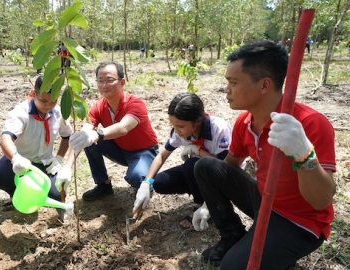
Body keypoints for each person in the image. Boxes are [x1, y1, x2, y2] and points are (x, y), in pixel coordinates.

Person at [193, 40, 336, 269]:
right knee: (206, 166)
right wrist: (209, 205)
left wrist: (303, 154)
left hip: (298, 222)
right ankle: (233, 236)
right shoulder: (245, 121)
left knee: (231, 268)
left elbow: (320, 201)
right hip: (265, 201)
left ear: (264, 85)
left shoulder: (310, 123)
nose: (226, 89)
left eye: (233, 82)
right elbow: (228, 167)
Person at [132, 93, 235, 230]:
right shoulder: (182, 130)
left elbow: (226, 168)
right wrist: (147, 182)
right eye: (173, 125)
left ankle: (205, 205)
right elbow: (162, 155)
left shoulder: (219, 130)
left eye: (180, 126)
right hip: (200, 171)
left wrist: (197, 150)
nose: (177, 131)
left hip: (226, 176)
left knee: (192, 164)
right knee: (161, 182)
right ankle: (202, 193)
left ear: (198, 121)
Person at [69, 61, 159, 201]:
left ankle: (146, 182)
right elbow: (84, 132)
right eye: (100, 81)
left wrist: (97, 134)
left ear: (122, 82)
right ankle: (103, 185)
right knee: (88, 140)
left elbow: (123, 128)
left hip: (144, 151)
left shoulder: (135, 103)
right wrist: (67, 168)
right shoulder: (99, 106)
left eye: (110, 80)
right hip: (119, 149)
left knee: (136, 178)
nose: (104, 85)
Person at [0, 75, 75, 219]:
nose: (48, 105)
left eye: (53, 101)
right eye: (43, 100)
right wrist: (16, 158)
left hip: (45, 163)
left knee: (57, 192)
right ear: (33, 93)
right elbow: (5, 139)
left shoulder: (59, 113)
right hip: (22, 162)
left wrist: (60, 158)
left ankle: (59, 205)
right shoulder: (21, 113)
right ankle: (16, 193)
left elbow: (68, 137)